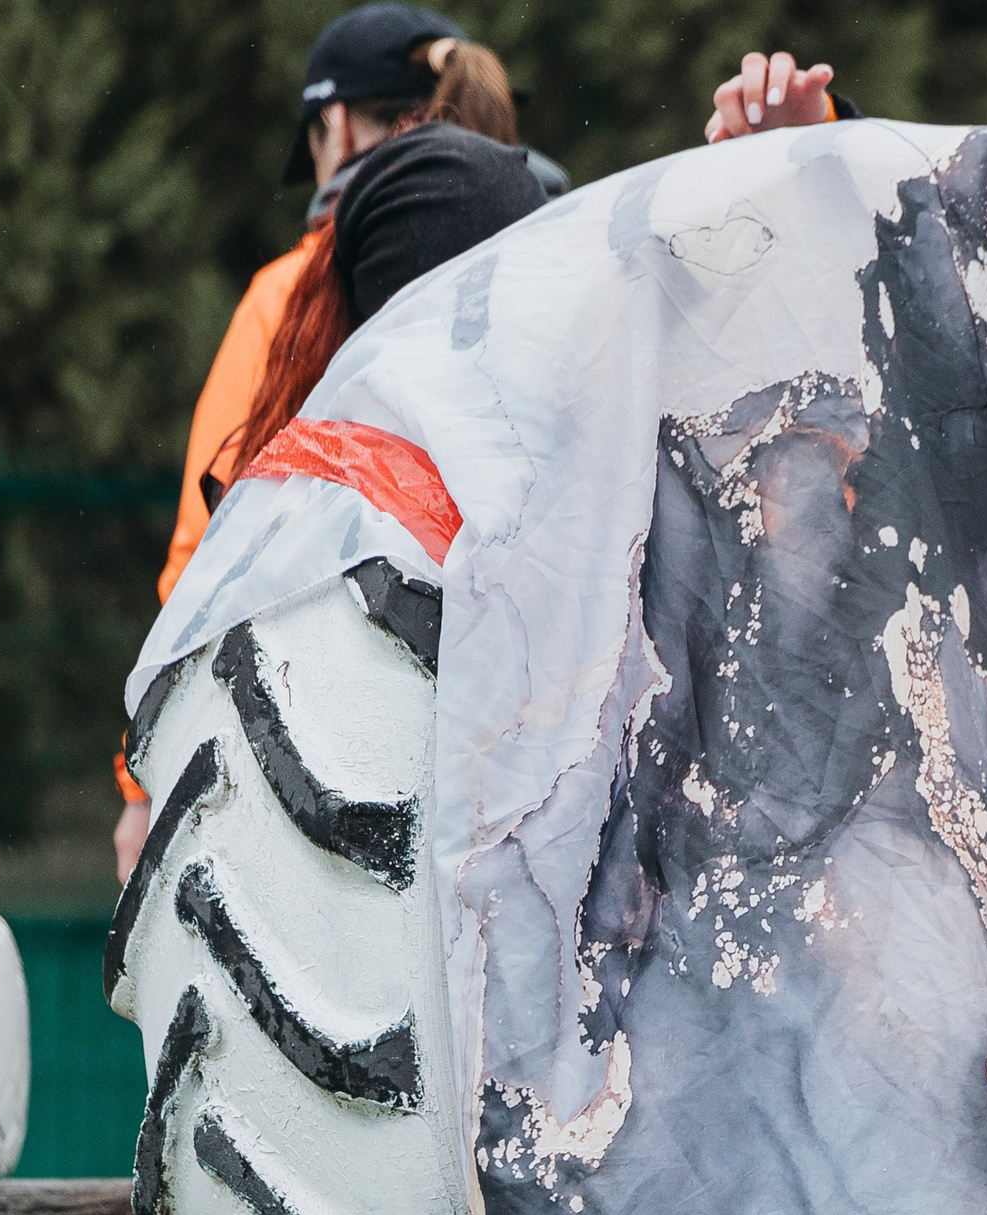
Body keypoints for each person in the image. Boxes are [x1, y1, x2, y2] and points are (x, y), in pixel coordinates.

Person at [113, 6, 846, 879]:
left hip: (350, 791)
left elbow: (214, 556)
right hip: (574, 798)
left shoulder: (295, 293)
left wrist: (141, 790)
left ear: (335, 124)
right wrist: (807, 162)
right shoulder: (569, 246)